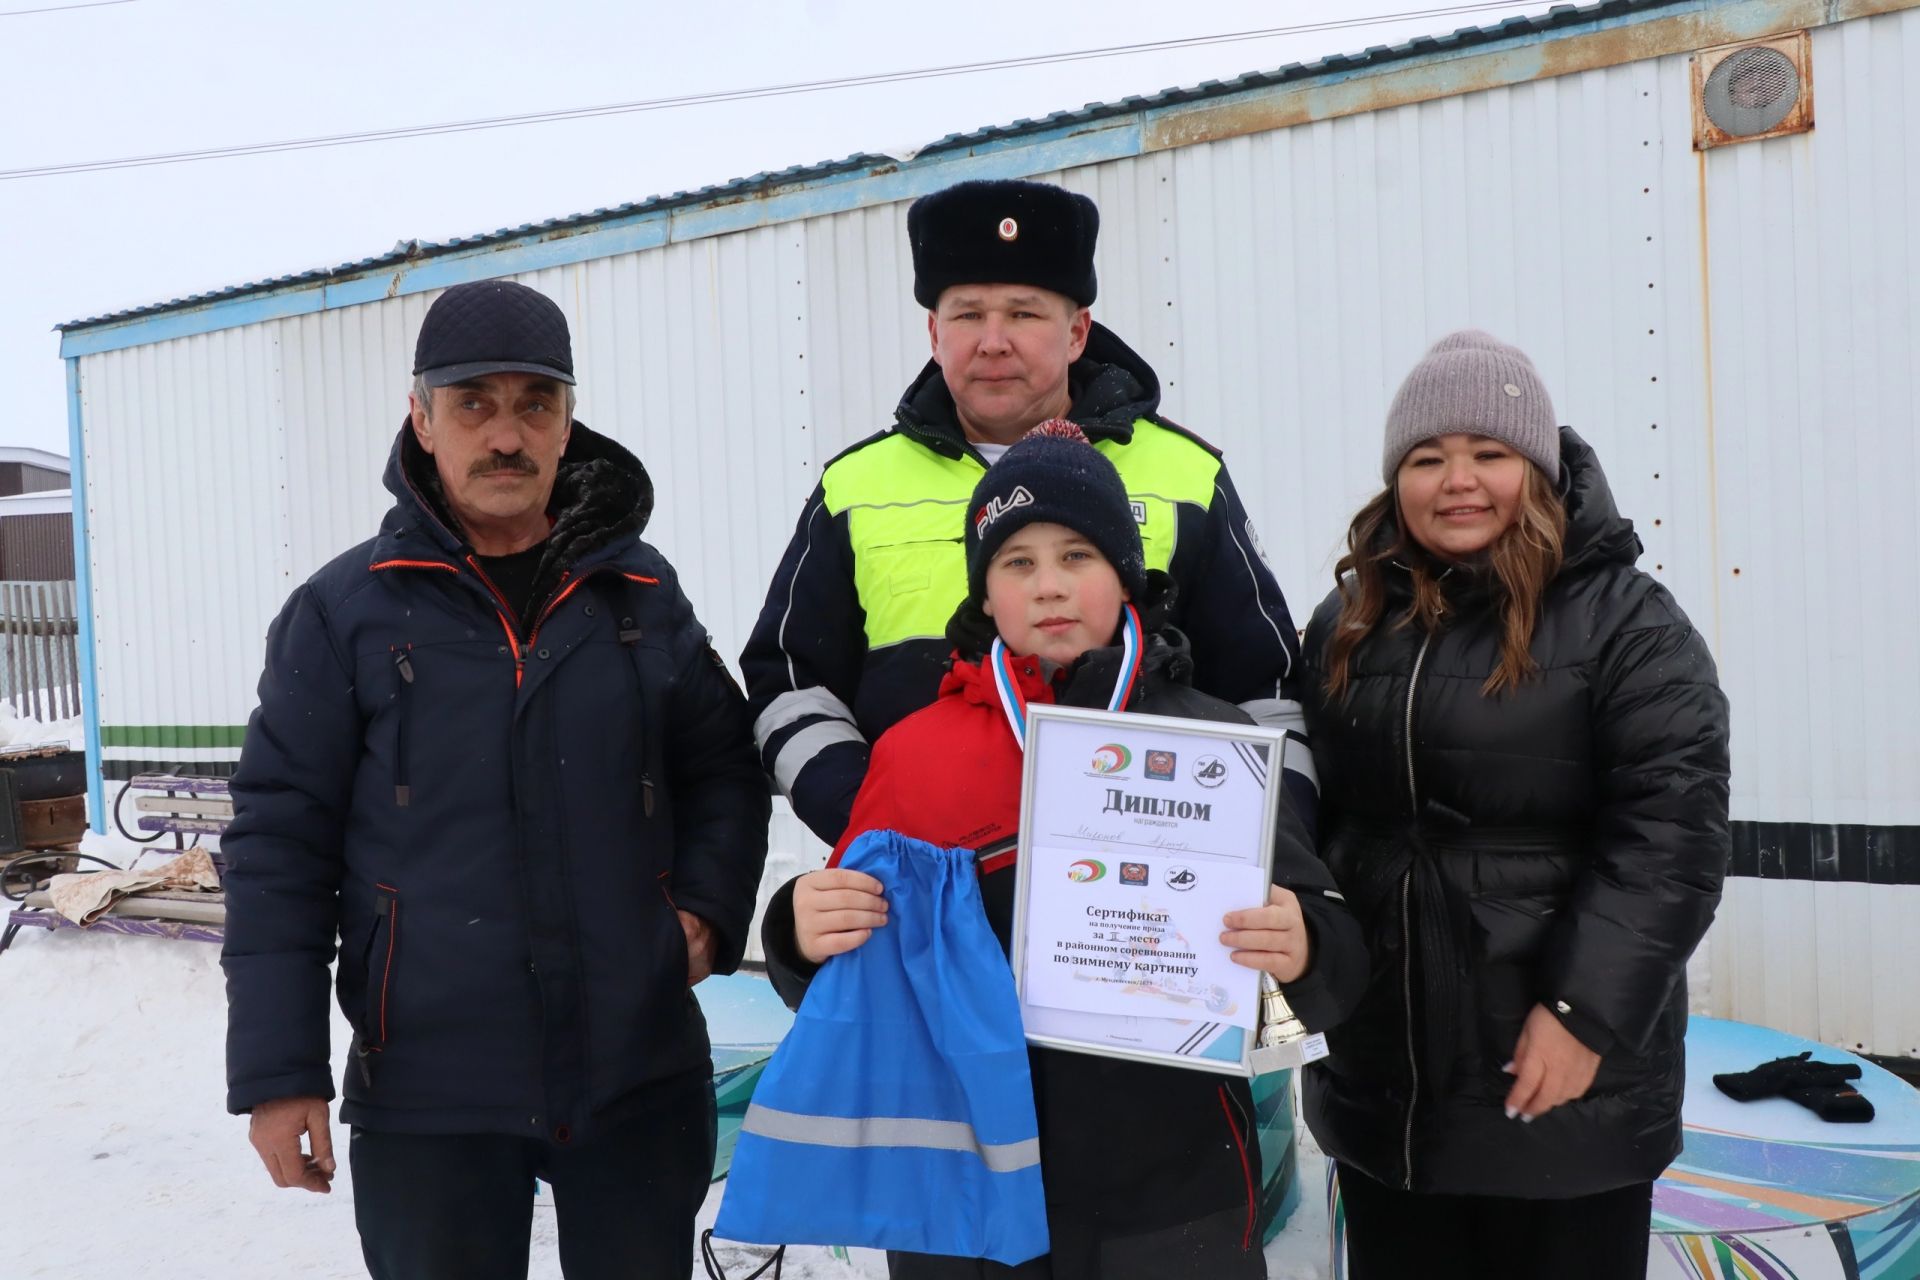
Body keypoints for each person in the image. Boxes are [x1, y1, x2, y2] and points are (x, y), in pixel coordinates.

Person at [221, 279, 770, 1280]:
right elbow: (277, 844)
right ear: (421, 417)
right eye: (473, 402)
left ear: (568, 423)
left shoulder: (639, 594)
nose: (505, 432)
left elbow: (724, 769)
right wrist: (279, 1066)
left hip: (635, 1070)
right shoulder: (346, 612)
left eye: (534, 403)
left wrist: (703, 914)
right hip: (430, 1085)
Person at [759, 423, 1367, 1280]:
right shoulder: (912, 754)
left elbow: (1331, 976)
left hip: (1174, 1206)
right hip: (965, 1209)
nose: (1049, 586)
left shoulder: (1213, 746)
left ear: (1124, 576)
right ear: (985, 595)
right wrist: (797, 934)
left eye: (1077, 555)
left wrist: (1302, 951)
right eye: (1017, 563)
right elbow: (849, 985)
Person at [1297, 331, 1731, 1279]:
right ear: (1394, 479)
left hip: (1557, 1072)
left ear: (1535, 468)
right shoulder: (1349, 620)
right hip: (1388, 1075)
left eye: (1489, 453)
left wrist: (1583, 1016)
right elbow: (1304, 813)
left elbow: (1670, 841)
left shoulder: (1628, 622)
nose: (1459, 480)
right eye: (1427, 458)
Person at [742, 177, 1305, 849]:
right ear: (933, 331)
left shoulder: (1187, 474)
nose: (993, 340)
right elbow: (790, 687)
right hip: (927, 885)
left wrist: (1272, 855)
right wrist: (878, 817)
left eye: (1025, 313)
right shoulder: (855, 486)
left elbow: (1268, 695)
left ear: (1077, 331)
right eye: (968, 314)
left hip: (1140, 905)